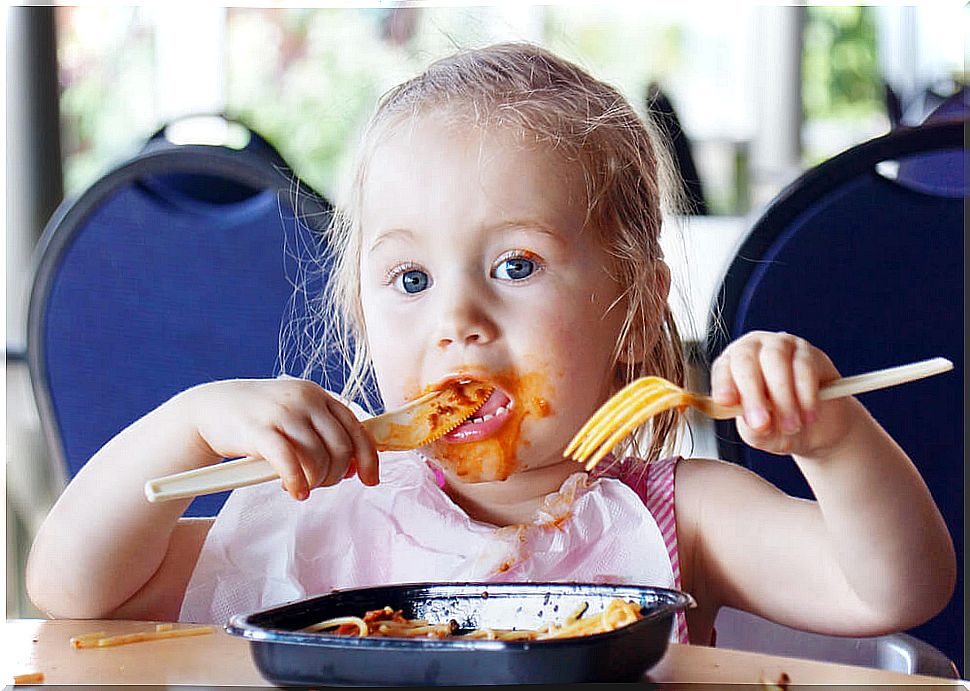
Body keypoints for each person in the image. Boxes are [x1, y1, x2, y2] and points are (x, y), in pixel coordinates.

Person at [26, 43, 954, 647]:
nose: (456, 320)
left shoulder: (681, 519)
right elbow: (76, 591)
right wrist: (187, 427)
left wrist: (833, 443)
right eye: (412, 280)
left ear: (632, 298)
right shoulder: (322, 516)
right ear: (359, 311)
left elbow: (890, 592)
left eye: (515, 265)